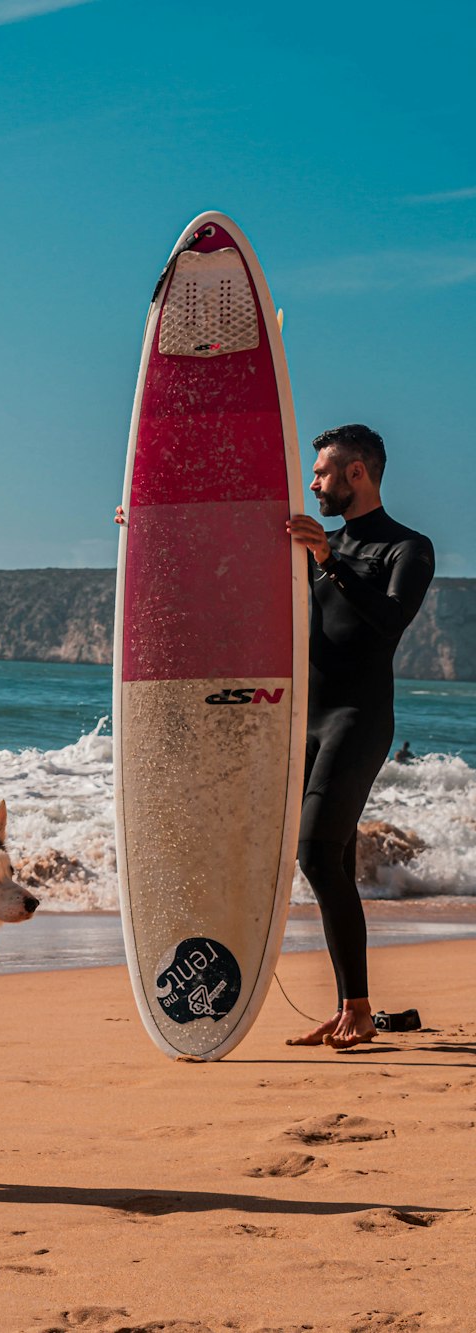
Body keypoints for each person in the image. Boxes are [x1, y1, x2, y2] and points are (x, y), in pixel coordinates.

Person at [286, 425, 434, 1050]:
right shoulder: (318, 543)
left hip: (357, 718)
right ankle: (352, 1006)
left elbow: (390, 620)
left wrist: (330, 562)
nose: (312, 482)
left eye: (322, 472)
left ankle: (360, 1007)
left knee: (315, 854)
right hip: (304, 720)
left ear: (357, 473)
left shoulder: (406, 547)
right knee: (333, 860)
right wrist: (143, 527)